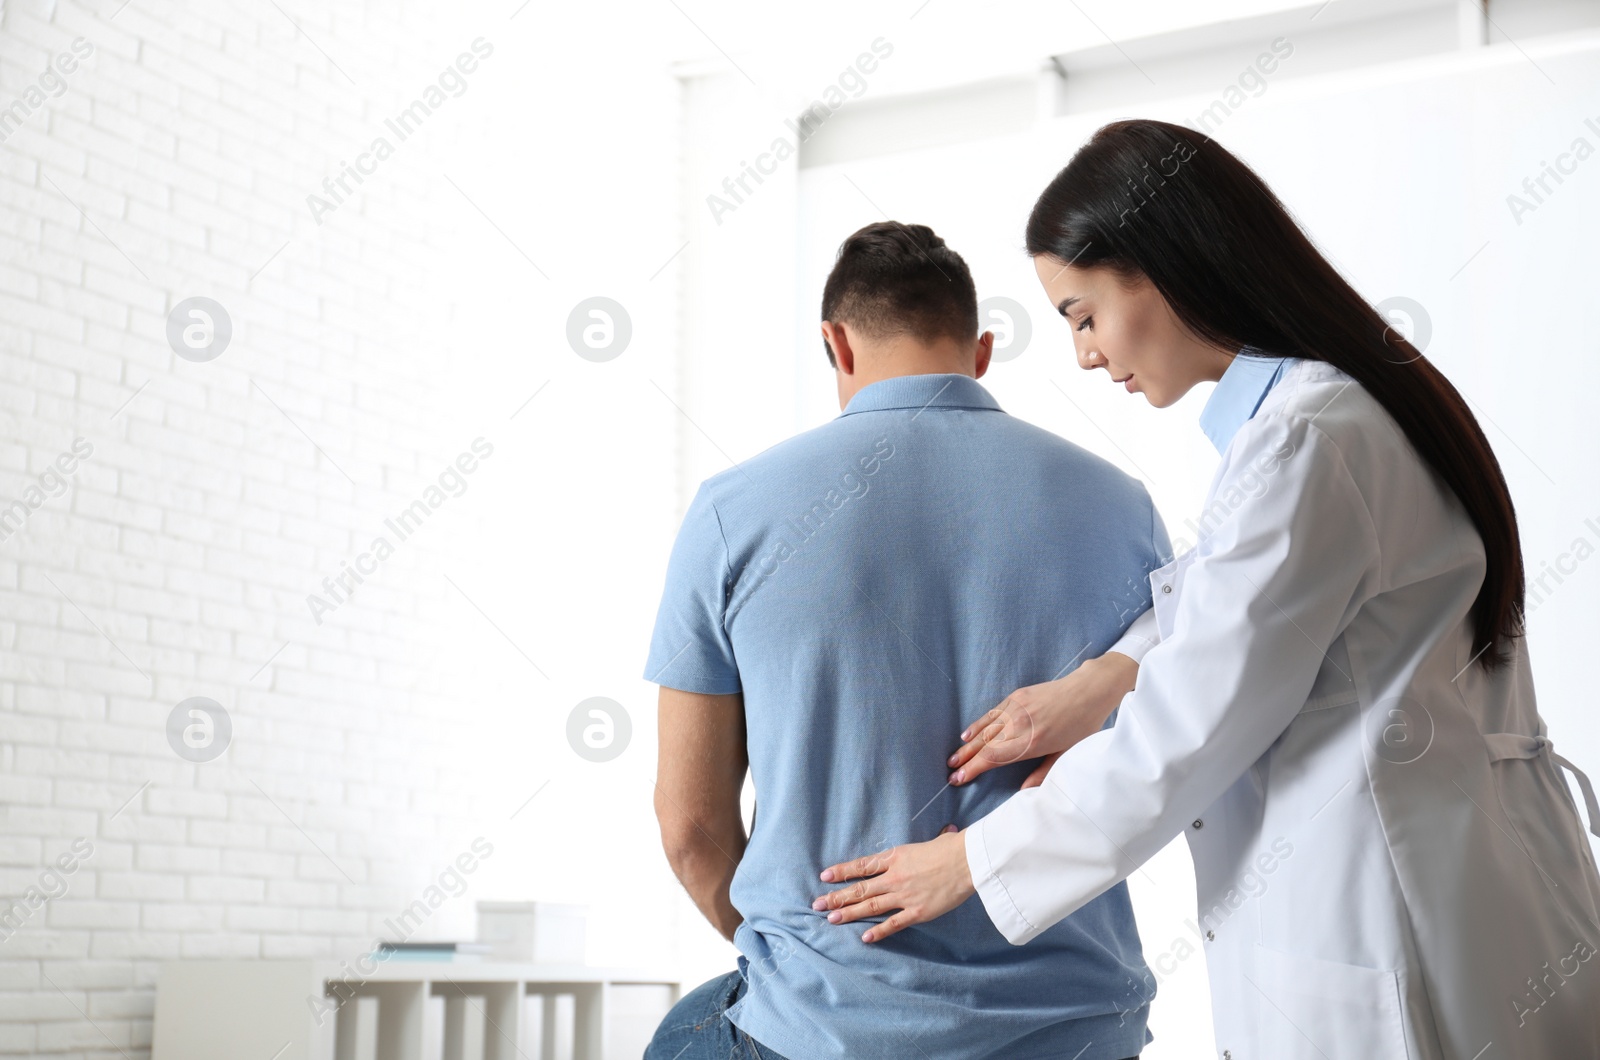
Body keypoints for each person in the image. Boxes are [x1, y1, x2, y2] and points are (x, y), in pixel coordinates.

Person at [812, 119, 1600, 1058]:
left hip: (1386, 921)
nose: (1086, 356)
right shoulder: (1327, 414)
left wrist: (970, 859)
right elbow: (1237, 602)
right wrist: (1109, 675)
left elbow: (1187, 729)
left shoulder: (1311, 441)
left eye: (1082, 314)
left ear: (1160, 268)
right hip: (1456, 891)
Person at [641, 221, 1171, 1060]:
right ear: (983, 351)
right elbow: (1173, 747)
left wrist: (807, 962)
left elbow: (691, 826)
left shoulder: (730, 512)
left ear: (835, 345)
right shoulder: (1122, 506)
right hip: (1075, 1025)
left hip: (832, 1026)